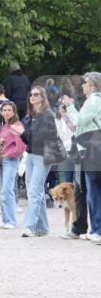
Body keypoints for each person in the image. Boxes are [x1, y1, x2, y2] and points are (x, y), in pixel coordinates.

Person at [60, 71, 101, 243]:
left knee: (94, 191)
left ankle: (97, 229)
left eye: (84, 83)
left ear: (92, 84)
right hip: (88, 148)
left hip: (91, 149)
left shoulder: (94, 100)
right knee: (88, 190)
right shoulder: (93, 101)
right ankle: (94, 229)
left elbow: (79, 122)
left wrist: (70, 106)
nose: (82, 86)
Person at [19, 85, 60, 237]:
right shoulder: (32, 114)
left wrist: (24, 132)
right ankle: (42, 227)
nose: (33, 97)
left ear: (43, 97)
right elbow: (28, 140)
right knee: (35, 192)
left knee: (34, 191)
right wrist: (22, 134)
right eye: (31, 94)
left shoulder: (48, 114)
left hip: (42, 156)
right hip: (30, 155)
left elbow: (43, 137)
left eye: (36, 94)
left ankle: (29, 226)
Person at [0, 101, 25, 230]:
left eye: (9, 110)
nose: (6, 112)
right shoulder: (2, 127)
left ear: (14, 112)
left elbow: (21, 147)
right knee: (1, 191)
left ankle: (11, 220)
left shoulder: (17, 126)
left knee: (7, 190)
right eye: (4, 110)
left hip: (10, 161)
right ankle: (5, 219)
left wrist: (9, 154)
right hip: (2, 160)